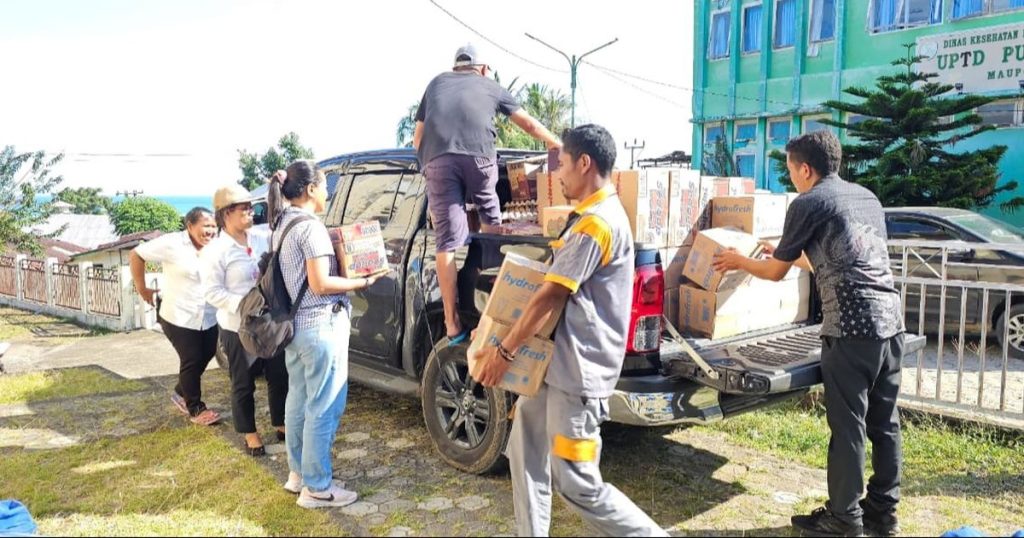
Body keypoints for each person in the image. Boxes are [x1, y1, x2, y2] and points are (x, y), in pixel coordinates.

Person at [474, 124, 667, 537]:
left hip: (577, 378)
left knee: (577, 483)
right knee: (524, 448)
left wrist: (504, 352)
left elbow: (549, 297)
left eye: (561, 164)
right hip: (555, 370)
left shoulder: (596, 225)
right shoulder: (588, 218)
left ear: (584, 163)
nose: (557, 173)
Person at [713, 130, 905, 537]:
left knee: (849, 428)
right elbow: (837, 259)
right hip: (891, 323)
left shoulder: (808, 202)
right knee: (885, 423)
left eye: (790, 171)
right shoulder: (865, 197)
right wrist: (781, 252)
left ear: (805, 169)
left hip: (851, 329)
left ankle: (844, 519)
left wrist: (738, 261)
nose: (791, 179)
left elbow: (774, 273)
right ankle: (883, 514)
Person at [413, 43, 562, 345]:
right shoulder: (490, 85)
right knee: (491, 222)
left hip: (436, 161)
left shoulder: (436, 84)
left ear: (455, 67)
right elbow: (529, 124)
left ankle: (452, 322)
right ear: (482, 69)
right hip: (479, 158)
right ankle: (491, 309)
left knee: (446, 243)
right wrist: (557, 144)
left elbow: (418, 139)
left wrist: (431, 168)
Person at [267, 161, 386, 509]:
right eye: (324, 186)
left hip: (295, 329)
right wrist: (362, 282)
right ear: (310, 189)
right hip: (320, 325)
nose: (327, 192)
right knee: (324, 405)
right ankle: (318, 488)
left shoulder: (282, 223)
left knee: (299, 400)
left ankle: (299, 475)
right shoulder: (311, 228)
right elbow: (320, 284)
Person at [199, 184, 288, 457]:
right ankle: (249, 432)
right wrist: (247, 305)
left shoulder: (260, 237)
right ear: (226, 213)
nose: (250, 212)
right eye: (244, 208)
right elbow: (212, 292)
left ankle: (281, 422)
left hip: (268, 321)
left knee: (279, 374)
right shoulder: (215, 251)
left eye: (251, 207)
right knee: (243, 380)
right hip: (237, 325)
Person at [130, 207, 221, 426]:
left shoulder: (216, 245)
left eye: (213, 226)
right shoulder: (172, 243)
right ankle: (195, 408)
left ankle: (181, 392)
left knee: (208, 353)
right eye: (206, 226)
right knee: (191, 359)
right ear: (190, 226)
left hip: (208, 314)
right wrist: (142, 288)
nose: (210, 231)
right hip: (178, 314)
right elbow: (137, 254)